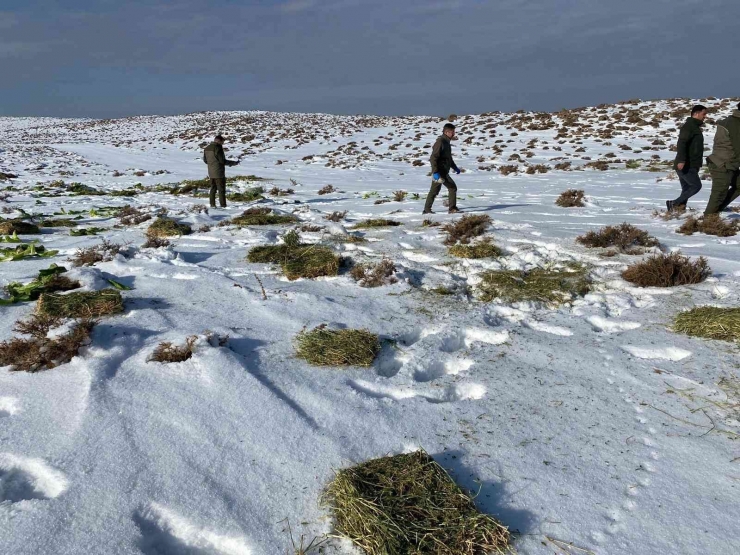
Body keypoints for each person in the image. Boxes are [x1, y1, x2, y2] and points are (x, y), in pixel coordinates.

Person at [666, 105, 707, 211]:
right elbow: (682, 143)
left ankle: (679, 209)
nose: (705, 117)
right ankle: (674, 203)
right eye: (703, 114)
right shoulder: (689, 127)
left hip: (691, 164)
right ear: (696, 114)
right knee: (696, 186)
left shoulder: (694, 127)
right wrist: (682, 160)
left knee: (687, 189)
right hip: (687, 164)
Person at [705, 102, 740, 215]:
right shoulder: (735, 124)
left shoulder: (732, 120)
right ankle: (708, 220)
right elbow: (738, 147)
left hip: (728, 163)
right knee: (718, 193)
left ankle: (717, 211)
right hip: (722, 164)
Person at [423, 123, 461, 214]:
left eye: (454, 132)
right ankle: (427, 210)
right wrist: (435, 172)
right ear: (446, 132)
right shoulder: (440, 142)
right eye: (452, 132)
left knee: (451, 188)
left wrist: (455, 167)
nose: (454, 134)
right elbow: (433, 158)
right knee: (435, 190)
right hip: (439, 172)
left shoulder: (447, 142)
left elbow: (448, 158)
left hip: (444, 171)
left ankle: (452, 208)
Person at [203, 134, 239, 208]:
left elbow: (205, 160)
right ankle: (223, 206)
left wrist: (212, 164)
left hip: (211, 172)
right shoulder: (218, 148)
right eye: (222, 142)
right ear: (219, 141)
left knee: (213, 189)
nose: (222, 144)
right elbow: (222, 161)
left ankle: (212, 204)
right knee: (221, 189)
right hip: (219, 172)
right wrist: (233, 163)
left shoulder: (207, 148)